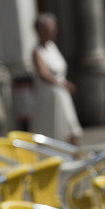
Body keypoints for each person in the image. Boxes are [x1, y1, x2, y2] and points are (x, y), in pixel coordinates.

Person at [31, 13, 82, 145]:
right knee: (56, 130)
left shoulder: (52, 46)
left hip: (61, 93)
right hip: (50, 95)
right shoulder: (37, 51)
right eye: (49, 28)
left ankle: (75, 157)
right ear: (40, 31)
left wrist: (63, 84)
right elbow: (43, 73)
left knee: (71, 127)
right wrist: (61, 84)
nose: (52, 31)